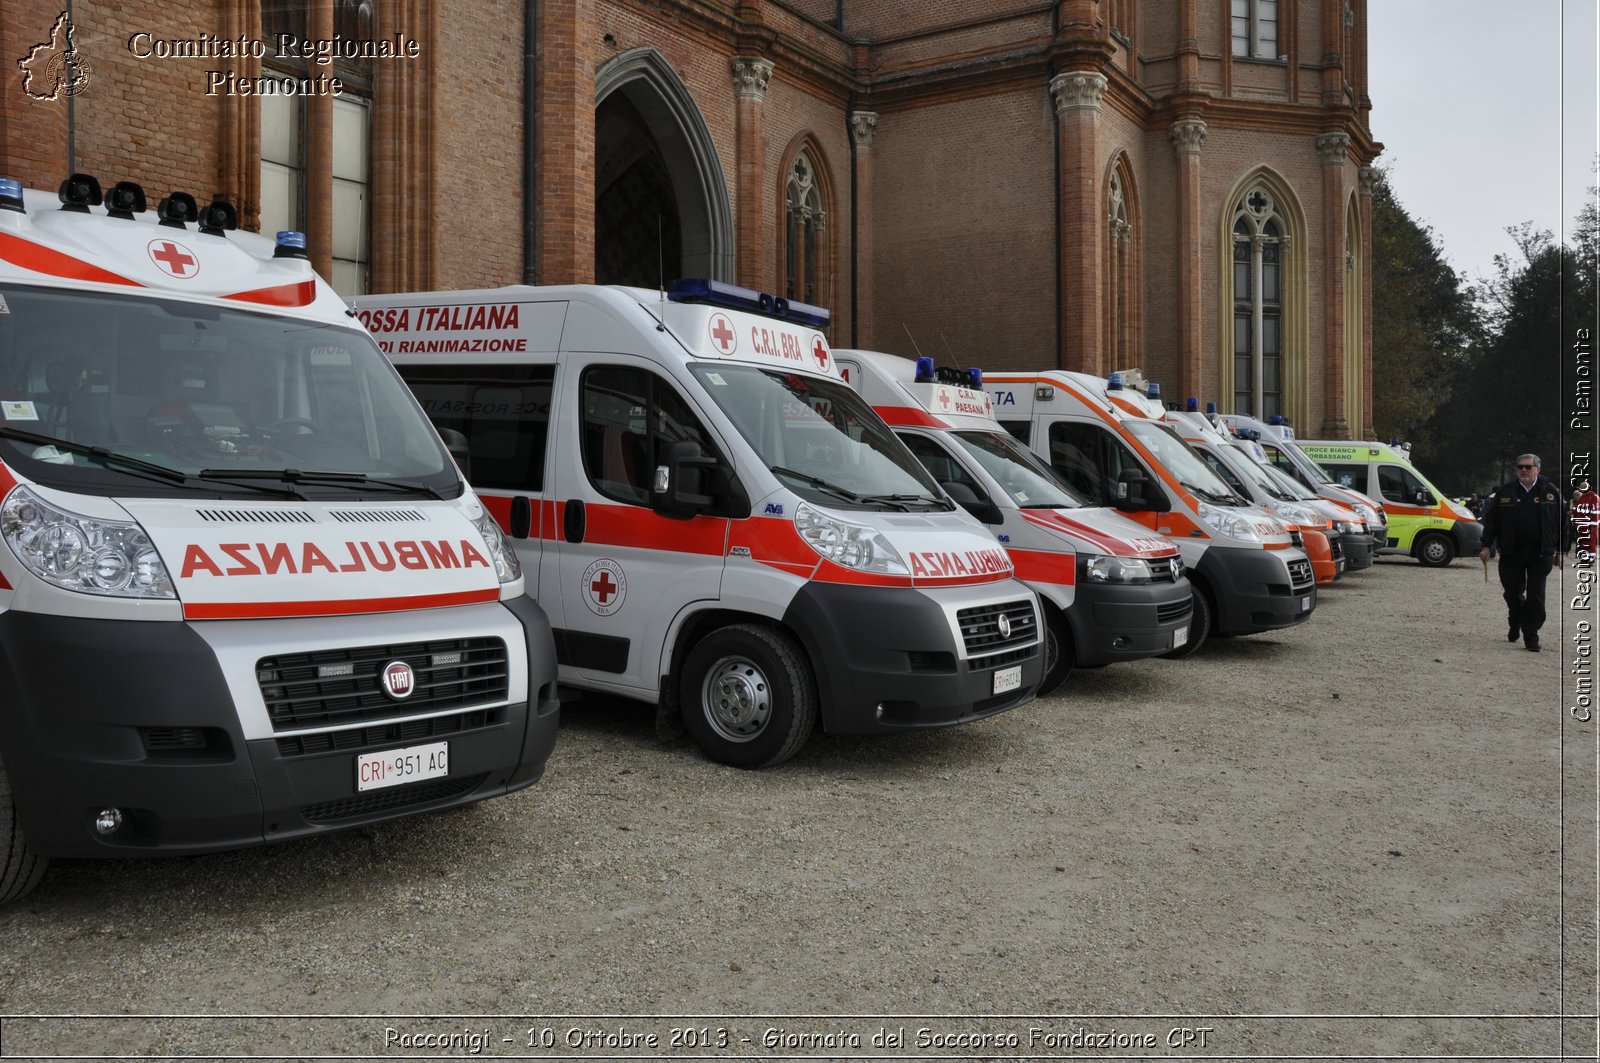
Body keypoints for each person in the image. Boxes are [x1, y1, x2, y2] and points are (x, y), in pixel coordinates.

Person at [1479, 454, 1566, 651]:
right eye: (1520, 467)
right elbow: (1491, 521)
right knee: (1512, 593)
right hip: (1511, 552)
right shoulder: (1505, 492)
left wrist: (1562, 550)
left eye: (1528, 467)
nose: (1524, 470)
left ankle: (1531, 634)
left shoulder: (1551, 492)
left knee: (1536, 595)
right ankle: (1515, 620)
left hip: (1541, 553)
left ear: (1538, 469)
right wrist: (1486, 546)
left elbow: (1563, 524)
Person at [1573, 479, 1599, 563]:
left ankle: (1591, 559)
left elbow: (1596, 513)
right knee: (1583, 543)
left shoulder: (1594, 497)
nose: (1580, 490)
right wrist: (1573, 512)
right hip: (1582, 525)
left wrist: (1594, 526)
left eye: (1581, 488)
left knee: (1590, 542)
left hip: (1590, 525)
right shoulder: (1583, 497)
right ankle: (1585, 558)